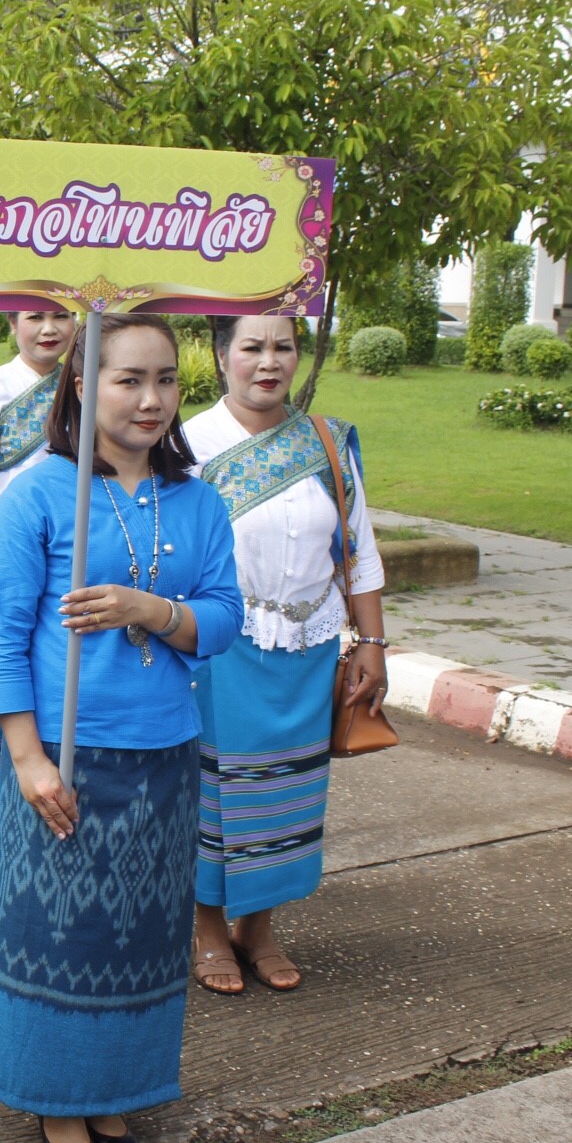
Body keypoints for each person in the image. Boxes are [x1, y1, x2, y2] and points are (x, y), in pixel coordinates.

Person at [0, 312, 242, 1143]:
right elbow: (1, 637)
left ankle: (117, 1090)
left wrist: (149, 610)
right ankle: (54, 1096)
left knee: (144, 939)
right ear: (84, 385)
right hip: (64, 758)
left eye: (165, 378)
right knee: (62, 935)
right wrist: (28, 760)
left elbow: (225, 619)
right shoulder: (40, 493)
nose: (152, 398)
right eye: (129, 379)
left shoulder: (200, 501)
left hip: (164, 759)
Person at [182, 314, 389, 995]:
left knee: (287, 797)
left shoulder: (327, 442)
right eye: (252, 347)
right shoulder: (186, 444)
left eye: (283, 347)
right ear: (221, 356)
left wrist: (373, 643)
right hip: (220, 651)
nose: (268, 362)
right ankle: (209, 928)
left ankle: (258, 927)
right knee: (215, 796)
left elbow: (359, 550)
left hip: (306, 650)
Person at [0, 309, 77, 871]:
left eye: (60, 316)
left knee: (50, 676)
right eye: (35, 317)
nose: (48, 329)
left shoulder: (85, 378)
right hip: (3, 553)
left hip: (68, 554)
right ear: (12, 322)